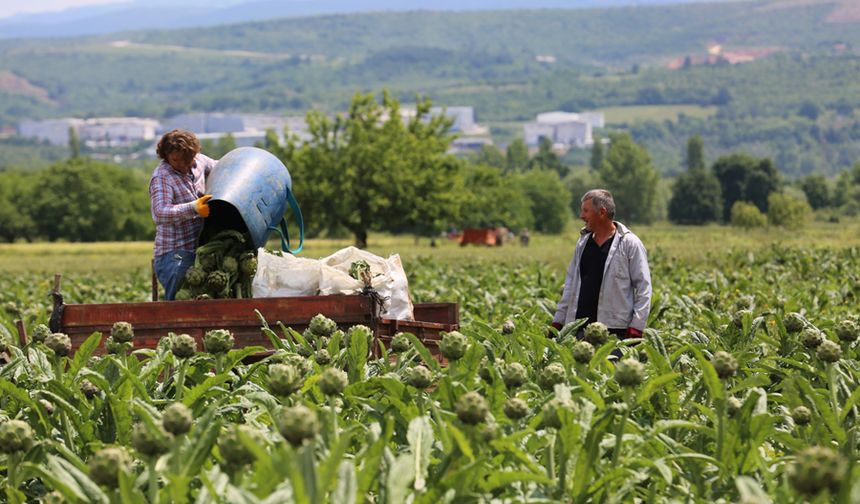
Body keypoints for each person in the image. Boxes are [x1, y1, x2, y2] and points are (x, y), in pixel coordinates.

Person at [552, 189, 651, 341]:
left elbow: (644, 288)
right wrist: (558, 321)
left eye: (585, 211)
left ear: (602, 212)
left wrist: (637, 326)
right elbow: (570, 284)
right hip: (580, 329)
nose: (581, 216)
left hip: (615, 330)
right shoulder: (582, 243)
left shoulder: (630, 244)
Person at [150, 129, 217, 300]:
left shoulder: (200, 162)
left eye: (187, 159)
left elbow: (221, 168)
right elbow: (159, 212)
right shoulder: (162, 177)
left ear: (195, 153)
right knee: (181, 301)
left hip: (200, 250)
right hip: (174, 254)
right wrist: (193, 208)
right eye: (176, 160)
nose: (182, 164)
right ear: (165, 155)